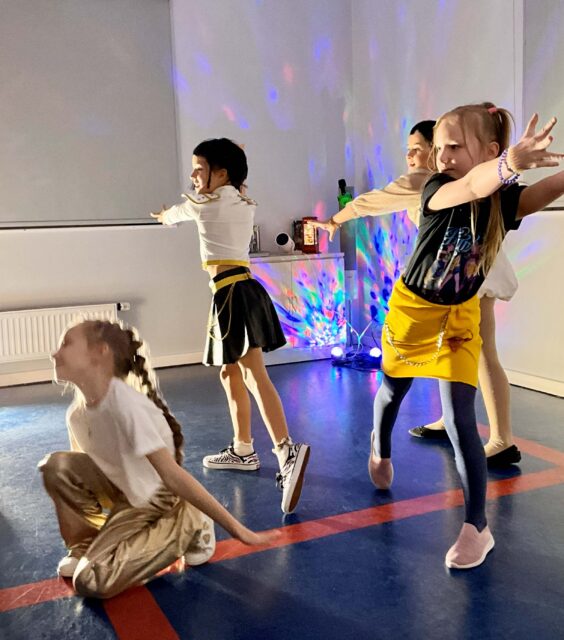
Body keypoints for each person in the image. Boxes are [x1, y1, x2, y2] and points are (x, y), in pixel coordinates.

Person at [368, 103, 563, 569]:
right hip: (413, 313)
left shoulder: (502, 202)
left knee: (460, 418)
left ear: (490, 149)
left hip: (459, 318)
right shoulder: (437, 189)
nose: (442, 157)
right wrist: (510, 163)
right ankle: (380, 445)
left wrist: (520, 169)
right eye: (438, 148)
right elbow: (475, 184)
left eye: (454, 147)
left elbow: (543, 191)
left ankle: (477, 526)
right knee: (392, 392)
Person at [312, 120, 523, 466]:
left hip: (469, 271)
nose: (410, 156)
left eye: (417, 149)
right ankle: (451, 419)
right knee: (452, 343)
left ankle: (501, 439)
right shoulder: (450, 180)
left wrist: (334, 220)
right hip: (470, 265)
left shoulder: (423, 182)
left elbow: (370, 202)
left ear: (434, 150)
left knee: (482, 350)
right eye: (408, 150)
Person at [39, 320, 279, 599]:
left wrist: (238, 530)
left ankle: (189, 522)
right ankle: (84, 547)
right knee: (56, 466)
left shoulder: (127, 407)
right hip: (124, 492)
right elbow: (83, 478)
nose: (55, 353)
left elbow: (172, 475)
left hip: (157, 496)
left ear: (99, 353)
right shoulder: (76, 415)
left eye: (66, 344)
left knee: (90, 581)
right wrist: (108, 537)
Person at [150, 138, 310, 514]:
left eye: (199, 169)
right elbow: (234, 184)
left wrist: (164, 216)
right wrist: (234, 159)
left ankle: (286, 452)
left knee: (253, 374)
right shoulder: (241, 201)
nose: (193, 176)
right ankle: (242, 449)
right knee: (230, 372)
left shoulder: (205, 203)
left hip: (232, 293)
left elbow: (176, 213)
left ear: (221, 174)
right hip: (240, 289)